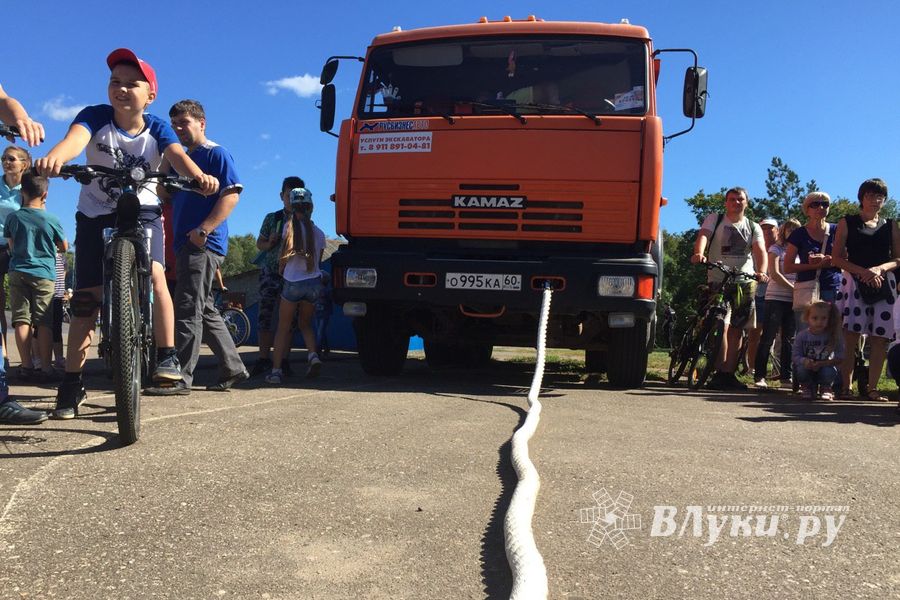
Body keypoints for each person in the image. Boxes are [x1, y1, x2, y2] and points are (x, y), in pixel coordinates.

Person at [34, 48, 218, 419]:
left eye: (131, 83)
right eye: (114, 82)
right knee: (86, 299)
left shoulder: (157, 127)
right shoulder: (95, 116)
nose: (121, 89)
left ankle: (166, 356)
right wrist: (56, 157)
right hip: (95, 212)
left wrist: (196, 175)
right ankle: (72, 383)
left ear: (150, 94)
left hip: (143, 210)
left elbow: (177, 154)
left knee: (155, 275)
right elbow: (74, 139)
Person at [147, 99, 247, 395]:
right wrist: (168, 156)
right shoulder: (181, 160)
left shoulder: (216, 153)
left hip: (202, 243)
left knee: (187, 308)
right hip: (185, 243)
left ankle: (181, 378)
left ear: (201, 123)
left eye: (184, 123)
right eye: (174, 124)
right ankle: (233, 366)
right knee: (203, 308)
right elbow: (162, 192)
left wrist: (204, 229)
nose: (178, 129)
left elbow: (232, 195)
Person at [0, 85, 47, 425]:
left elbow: (2, 99)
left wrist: (19, 117)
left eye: (12, 157)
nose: (6, 161)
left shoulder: (31, 184)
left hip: (18, 252)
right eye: (5, 158)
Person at [690, 186, 768, 390]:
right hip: (718, 278)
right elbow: (704, 236)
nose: (736, 202)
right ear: (726, 203)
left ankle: (728, 373)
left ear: (746, 203)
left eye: (740, 199)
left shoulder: (752, 226)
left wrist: (762, 271)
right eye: (732, 199)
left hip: (744, 280)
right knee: (719, 325)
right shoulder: (714, 219)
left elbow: (760, 250)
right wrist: (699, 253)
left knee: (737, 329)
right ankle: (717, 371)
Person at [830, 178, 899, 402]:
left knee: (879, 338)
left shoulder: (891, 224)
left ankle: (872, 388)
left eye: (880, 196)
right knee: (851, 336)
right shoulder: (847, 222)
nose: (875, 200)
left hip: (882, 283)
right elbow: (836, 258)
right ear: (861, 197)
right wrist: (862, 272)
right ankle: (846, 387)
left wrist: (879, 269)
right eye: (870, 196)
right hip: (854, 281)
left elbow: (898, 258)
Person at [5, 170, 67, 383]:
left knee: (21, 319)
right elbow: (63, 246)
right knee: (44, 322)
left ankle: (26, 365)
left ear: (21, 192)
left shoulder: (14, 217)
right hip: (43, 274)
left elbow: (11, 243)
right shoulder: (51, 219)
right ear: (45, 195)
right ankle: (46, 368)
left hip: (17, 271)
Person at [265, 188, 325, 384]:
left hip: (292, 283)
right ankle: (313, 356)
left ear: (292, 206)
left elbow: (283, 258)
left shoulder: (288, 228)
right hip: (313, 284)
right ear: (311, 207)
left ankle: (275, 372)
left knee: (283, 328)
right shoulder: (319, 233)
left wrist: (282, 270)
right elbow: (319, 261)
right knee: (305, 324)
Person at [250, 176, 304, 377]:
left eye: (297, 196)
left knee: (289, 320)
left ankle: (283, 360)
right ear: (282, 196)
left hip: (293, 276)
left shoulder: (304, 220)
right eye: (289, 195)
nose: (292, 200)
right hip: (271, 273)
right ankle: (263, 358)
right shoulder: (272, 218)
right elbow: (259, 243)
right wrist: (270, 243)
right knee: (265, 315)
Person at [754, 219, 800, 389]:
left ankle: (786, 376)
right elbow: (774, 273)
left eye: (796, 229)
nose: (793, 232)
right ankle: (759, 375)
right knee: (768, 336)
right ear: (783, 231)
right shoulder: (776, 249)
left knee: (789, 339)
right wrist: (793, 288)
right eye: (790, 229)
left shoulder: (801, 252)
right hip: (775, 297)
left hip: (794, 300)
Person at [783, 192, 841, 316]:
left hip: (833, 287)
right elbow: (787, 267)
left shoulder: (838, 230)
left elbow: (848, 257)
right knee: (805, 332)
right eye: (815, 204)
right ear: (807, 210)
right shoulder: (798, 234)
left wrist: (829, 259)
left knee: (833, 331)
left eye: (825, 204)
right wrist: (815, 266)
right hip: (807, 289)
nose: (821, 208)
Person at [745, 217, 778, 374]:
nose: (766, 231)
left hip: (779, 296)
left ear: (777, 230)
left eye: (770, 228)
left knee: (777, 335)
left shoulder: (783, 249)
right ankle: (752, 368)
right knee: (755, 333)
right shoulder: (755, 250)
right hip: (759, 295)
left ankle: (776, 371)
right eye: (763, 228)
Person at [792, 301, 843, 401]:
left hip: (825, 365)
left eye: (824, 318)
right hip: (808, 365)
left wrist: (824, 363)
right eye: (815, 318)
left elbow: (840, 357)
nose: (819, 322)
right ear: (807, 318)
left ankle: (826, 388)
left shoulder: (833, 336)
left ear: (829, 319)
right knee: (801, 369)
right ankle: (806, 387)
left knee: (828, 371)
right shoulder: (802, 336)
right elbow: (795, 356)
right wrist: (804, 361)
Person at [315, 271, 333, 358]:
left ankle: (318, 349)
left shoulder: (327, 290)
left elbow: (329, 300)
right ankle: (325, 348)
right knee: (321, 331)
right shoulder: (318, 289)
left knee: (320, 331)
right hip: (318, 312)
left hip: (324, 312)